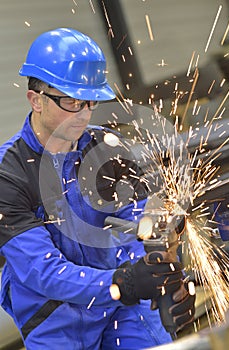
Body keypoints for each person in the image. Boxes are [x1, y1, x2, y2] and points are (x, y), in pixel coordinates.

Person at [0, 28, 195, 350]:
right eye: (70, 101)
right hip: (55, 315)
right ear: (35, 99)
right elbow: (41, 269)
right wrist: (121, 284)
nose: (83, 114)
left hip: (124, 306)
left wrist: (157, 267)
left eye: (90, 101)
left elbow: (137, 217)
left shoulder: (105, 146)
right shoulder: (9, 173)